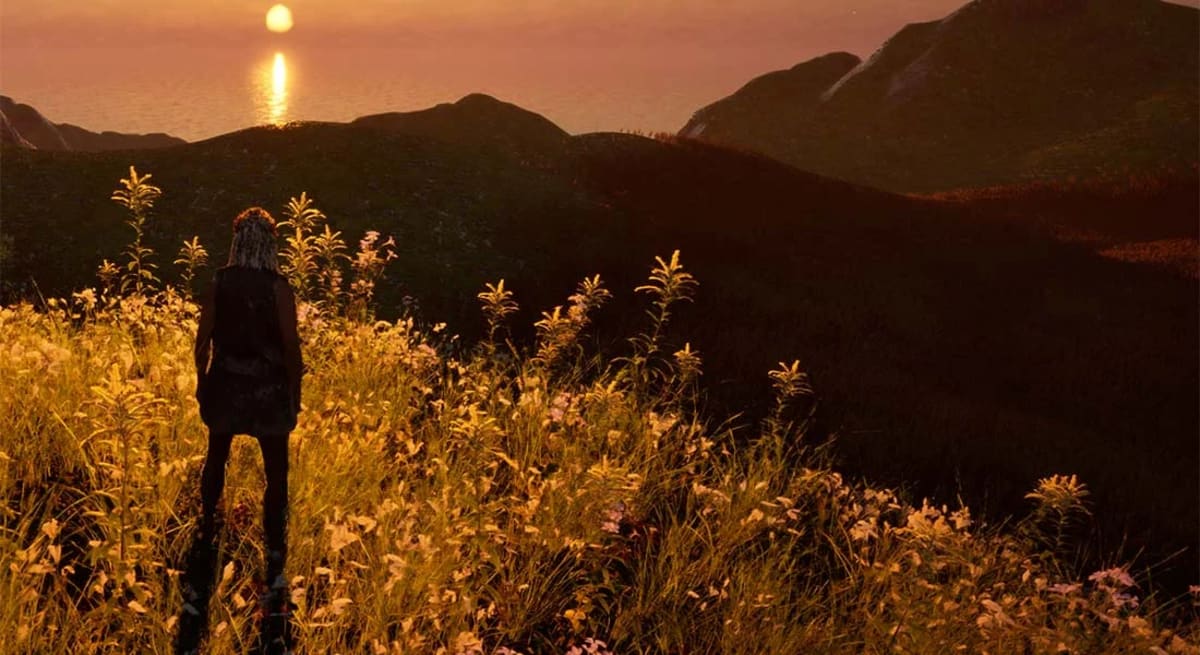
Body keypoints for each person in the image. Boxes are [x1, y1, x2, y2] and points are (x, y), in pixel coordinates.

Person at [192, 206, 303, 622]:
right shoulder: (279, 288)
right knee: (277, 472)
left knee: (216, 456)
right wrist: (295, 391)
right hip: (268, 391)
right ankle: (274, 547)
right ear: (271, 243)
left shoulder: (220, 281)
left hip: (226, 383)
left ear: (237, 241)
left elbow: (203, 340)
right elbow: (290, 347)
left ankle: (207, 522)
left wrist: (202, 381)